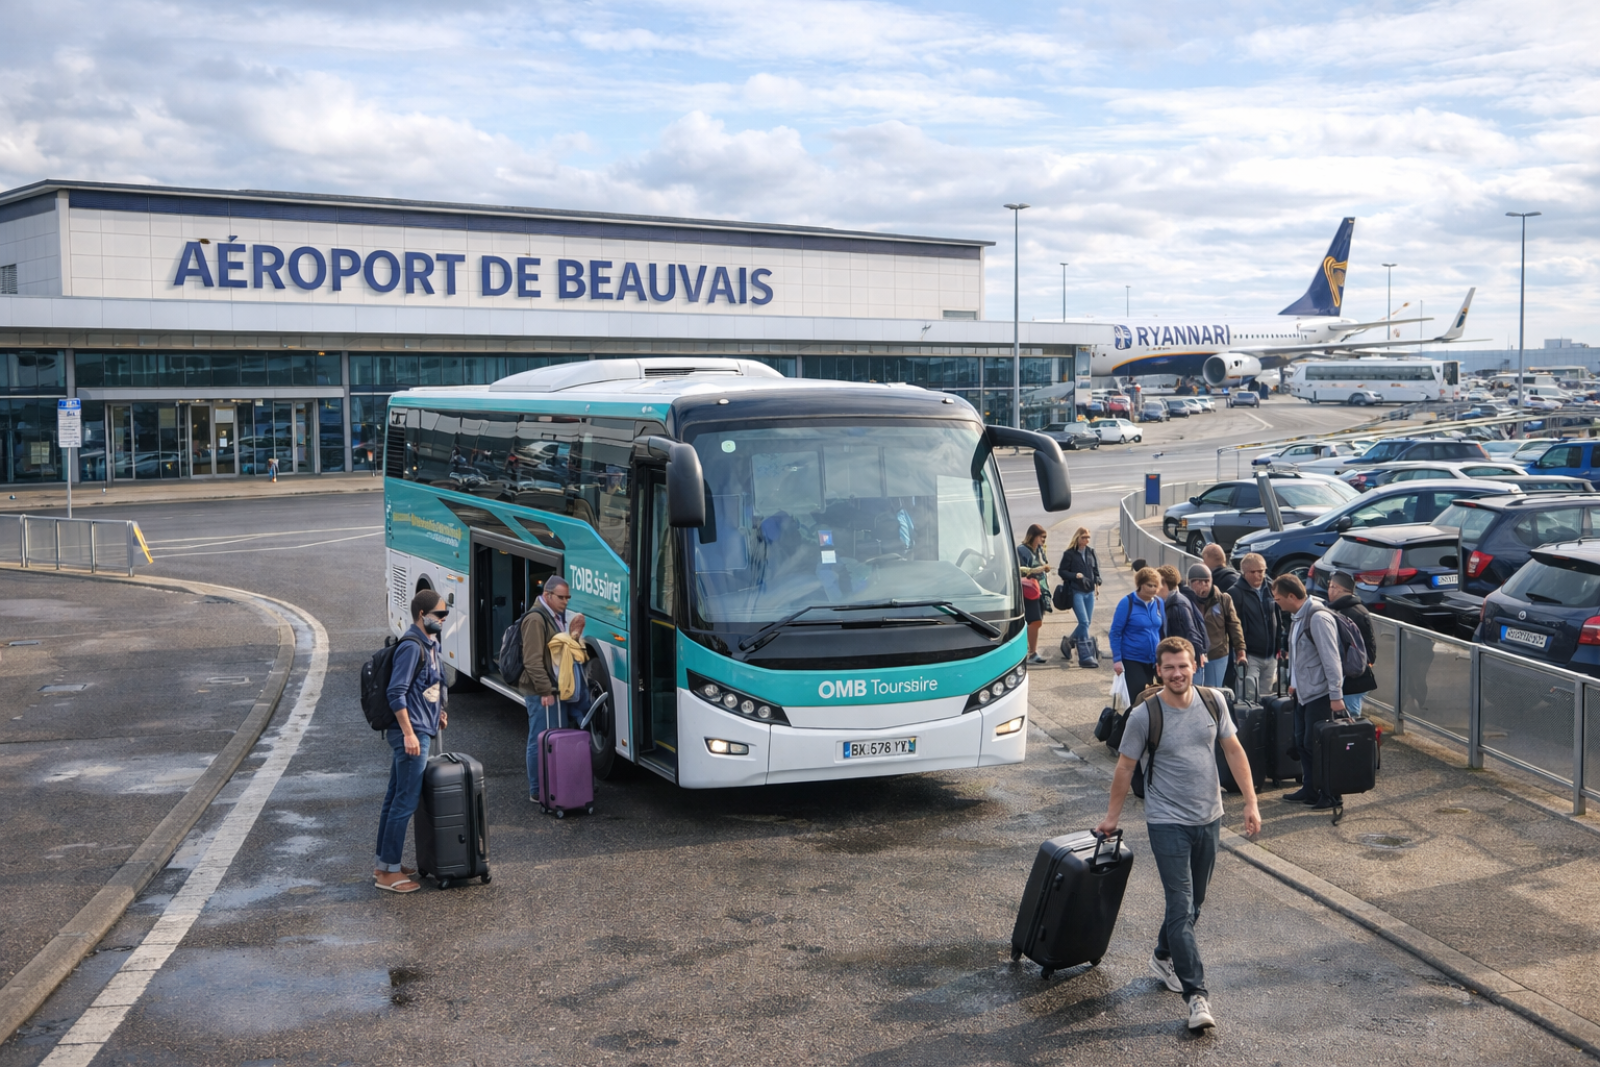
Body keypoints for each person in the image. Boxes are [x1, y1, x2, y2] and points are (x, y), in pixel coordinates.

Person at [1096, 636, 1261, 1032]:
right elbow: (1125, 767)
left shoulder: (1213, 701)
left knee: (1193, 904)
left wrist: (1251, 802)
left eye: (1182, 666)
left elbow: (1234, 750)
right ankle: (1196, 995)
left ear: (1195, 666)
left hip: (1209, 816)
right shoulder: (1144, 715)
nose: (1176, 673)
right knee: (1181, 904)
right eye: (1168, 667)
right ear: (1158, 671)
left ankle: (1162, 955)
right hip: (1166, 820)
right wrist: (1112, 817)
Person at [374, 589, 449, 893]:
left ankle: (385, 864)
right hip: (411, 733)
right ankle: (387, 874)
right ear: (422, 615)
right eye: (439, 615)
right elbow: (396, 692)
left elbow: (428, 686)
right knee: (404, 802)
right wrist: (408, 734)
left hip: (419, 727)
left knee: (395, 797)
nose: (444, 619)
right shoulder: (411, 646)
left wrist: (439, 711)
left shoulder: (429, 644)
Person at [1272, 574, 1346, 810]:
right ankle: (1311, 788)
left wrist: (1336, 696)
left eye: (1278, 599)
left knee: (1319, 745)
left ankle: (1331, 793)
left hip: (1320, 694)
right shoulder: (1298, 616)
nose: (1277, 603)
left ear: (1291, 596)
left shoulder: (1318, 618)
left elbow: (1331, 660)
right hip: (1303, 693)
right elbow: (1299, 655)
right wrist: (1293, 682)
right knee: (1303, 742)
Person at [518, 577, 581, 803]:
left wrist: (573, 635)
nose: (565, 601)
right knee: (539, 738)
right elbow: (532, 661)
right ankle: (537, 790)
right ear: (547, 595)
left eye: (568, 597)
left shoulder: (553, 616)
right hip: (540, 691)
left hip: (552, 689)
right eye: (561, 597)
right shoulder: (536, 619)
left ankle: (553, 785)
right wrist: (545, 690)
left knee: (551, 738)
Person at [1110, 566, 1166, 699]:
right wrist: (1117, 660)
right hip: (1132, 658)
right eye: (1149, 585)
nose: (1153, 589)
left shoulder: (1159, 603)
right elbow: (1115, 632)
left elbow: (1163, 631)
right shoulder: (1127, 603)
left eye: (1156, 586)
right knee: (1139, 696)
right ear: (1140, 584)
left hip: (1154, 659)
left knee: (1154, 696)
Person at [1326, 571, 1376, 717]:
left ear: (1337, 589)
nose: (1329, 590)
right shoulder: (1356, 610)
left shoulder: (1348, 614)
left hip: (1352, 680)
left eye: (1331, 586)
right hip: (1355, 677)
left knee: (1349, 719)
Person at [1186, 565, 1245, 689]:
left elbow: (1234, 626)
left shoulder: (1223, 599)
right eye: (1198, 582)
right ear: (1189, 583)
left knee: (1214, 691)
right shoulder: (1185, 601)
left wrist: (1240, 651)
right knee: (1194, 691)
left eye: (1206, 581)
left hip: (1217, 654)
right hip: (1192, 655)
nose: (1203, 585)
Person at [1233, 553, 1280, 695]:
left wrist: (1281, 646)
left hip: (1271, 655)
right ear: (1245, 572)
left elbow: (1279, 618)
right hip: (1250, 656)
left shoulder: (1271, 589)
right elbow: (1233, 627)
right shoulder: (1235, 593)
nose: (1259, 575)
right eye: (1254, 572)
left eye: (1262, 571)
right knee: (1249, 697)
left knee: (1267, 697)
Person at [1059, 526, 1101, 661]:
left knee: (1086, 623)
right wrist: (1074, 575)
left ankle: (1069, 641)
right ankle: (1085, 653)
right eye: (1084, 537)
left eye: (1088, 537)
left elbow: (1095, 570)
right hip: (1076, 591)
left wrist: (1098, 581)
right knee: (1084, 622)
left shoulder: (1091, 552)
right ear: (1077, 538)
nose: (1086, 540)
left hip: (1090, 592)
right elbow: (1062, 572)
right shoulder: (1069, 554)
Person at [1159, 565, 1208, 677]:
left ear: (1164, 585)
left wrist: (1194, 657)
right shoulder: (1177, 599)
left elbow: (1190, 631)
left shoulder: (1176, 604)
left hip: (1187, 665)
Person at [1017, 524, 1052, 664]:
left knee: (1036, 622)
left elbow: (1044, 565)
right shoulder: (1022, 550)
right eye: (1042, 537)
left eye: (1045, 538)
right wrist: (1036, 570)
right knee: (1034, 621)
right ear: (1033, 536)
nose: (1043, 540)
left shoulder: (1039, 550)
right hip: (1029, 590)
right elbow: (1019, 569)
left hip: (1040, 590)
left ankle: (1030, 651)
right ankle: (1031, 652)